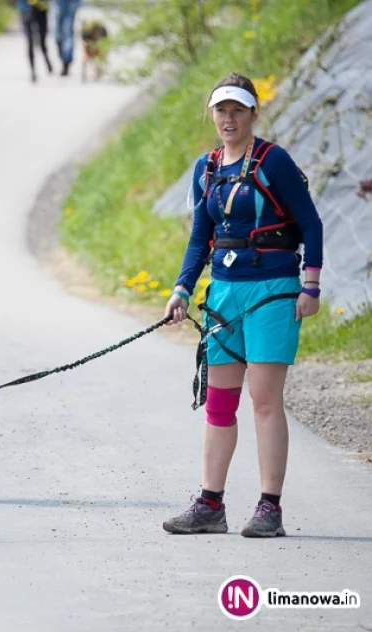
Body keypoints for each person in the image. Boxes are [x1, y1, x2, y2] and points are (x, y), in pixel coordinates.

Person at [162, 73, 324, 538]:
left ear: (254, 113)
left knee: (265, 401)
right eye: (221, 110)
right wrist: (181, 289)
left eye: (237, 110)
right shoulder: (206, 167)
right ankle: (210, 504)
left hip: (273, 289)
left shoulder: (275, 160)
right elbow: (199, 238)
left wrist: (309, 285)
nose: (228, 119)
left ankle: (269, 508)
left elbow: (311, 224)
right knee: (218, 404)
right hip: (224, 292)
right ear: (211, 114)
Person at [15, 0, 54, 82]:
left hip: (41, 9)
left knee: (42, 41)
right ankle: (33, 71)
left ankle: (46, 59)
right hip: (25, 9)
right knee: (29, 42)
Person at [53, 0, 80, 76]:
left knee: (67, 32)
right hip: (59, 3)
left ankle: (66, 62)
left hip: (70, 3)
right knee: (57, 34)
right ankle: (63, 56)